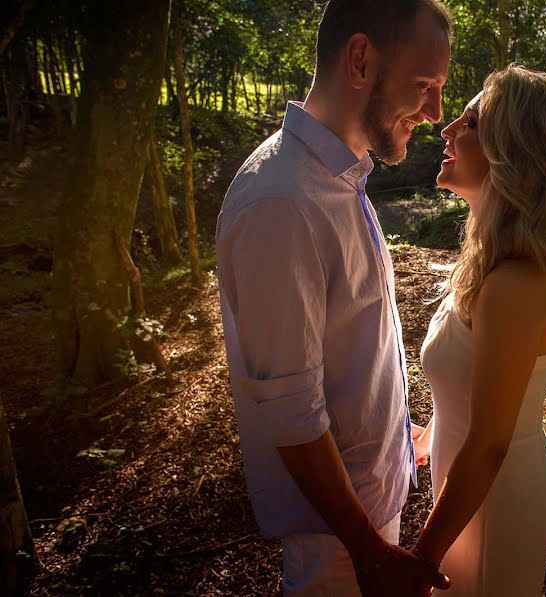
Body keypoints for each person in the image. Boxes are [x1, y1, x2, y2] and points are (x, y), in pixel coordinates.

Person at [215, 1, 453, 595]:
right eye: (423, 86)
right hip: (339, 548)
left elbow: (350, 349)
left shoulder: (342, 180)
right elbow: (291, 410)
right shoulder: (282, 202)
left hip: (367, 517)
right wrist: (369, 553)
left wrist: (401, 431)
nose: (434, 112)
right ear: (359, 60)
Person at [412, 65, 546, 596]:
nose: (446, 130)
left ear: (507, 150)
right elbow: (476, 386)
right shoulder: (492, 263)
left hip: (497, 493)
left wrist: (422, 559)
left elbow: (491, 442)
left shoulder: (516, 283)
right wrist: (431, 428)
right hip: (466, 479)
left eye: (467, 122)